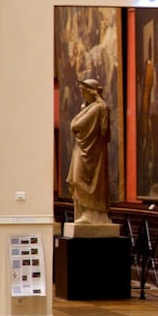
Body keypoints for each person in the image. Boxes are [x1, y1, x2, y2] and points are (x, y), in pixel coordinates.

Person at [67, 78, 111, 225]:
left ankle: (91, 213)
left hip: (89, 154)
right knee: (76, 179)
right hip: (83, 150)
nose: (81, 93)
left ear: (91, 92)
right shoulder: (91, 107)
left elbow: (76, 125)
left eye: (83, 90)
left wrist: (82, 112)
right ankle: (85, 212)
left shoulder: (97, 108)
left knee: (81, 180)